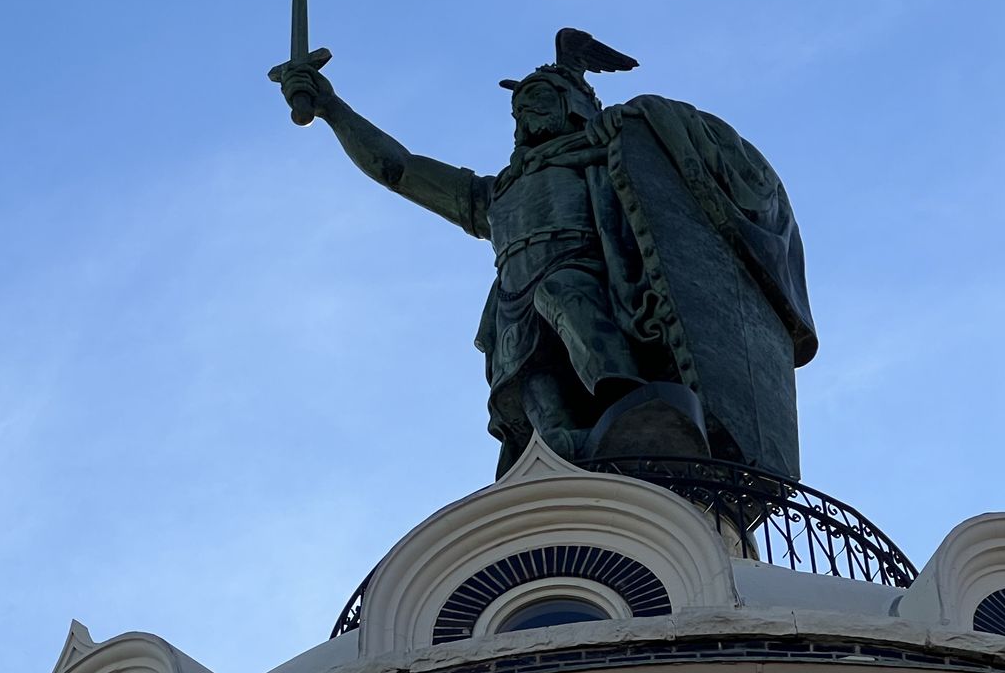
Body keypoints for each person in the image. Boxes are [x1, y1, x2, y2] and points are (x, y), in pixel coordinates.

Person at [277, 32, 817, 480]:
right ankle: (566, 449)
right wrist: (330, 107)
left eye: (539, 99)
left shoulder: (601, 151)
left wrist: (644, 124)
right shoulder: (495, 193)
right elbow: (398, 168)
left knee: (566, 298)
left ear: (575, 105)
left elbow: (682, 171)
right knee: (525, 375)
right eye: (520, 106)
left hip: (585, 273)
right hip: (513, 296)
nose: (526, 112)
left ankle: (631, 401)